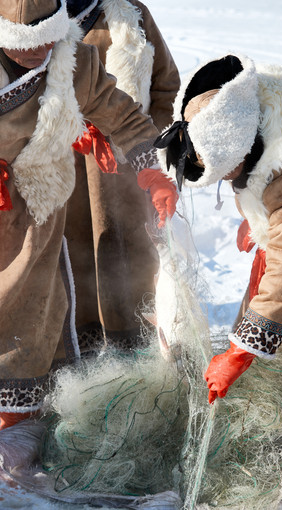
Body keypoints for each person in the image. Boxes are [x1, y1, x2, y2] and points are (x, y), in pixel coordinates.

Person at [154, 53, 282, 498]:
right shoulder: (232, 108)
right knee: (253, 319)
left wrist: (237, 356)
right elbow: (248, 173)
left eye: (226, 174)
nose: (225, 180)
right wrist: (257, 215)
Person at [0, 0, 177, 430]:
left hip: (36, 197)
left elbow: (124, 115)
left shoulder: (74, 63)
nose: (39, 52)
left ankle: (17, 414)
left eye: (48, 40)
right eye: (27, 46)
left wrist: (152, 172)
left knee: (30, 300)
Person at [64, 0, 180, 353]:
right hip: (61, 160)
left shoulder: (131, 14)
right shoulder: (37, 19)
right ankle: (77, 343)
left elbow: (166, 84)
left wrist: (150, 140)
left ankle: (135, 345)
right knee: (72, 247)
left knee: (126, 245)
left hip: (126, 161)